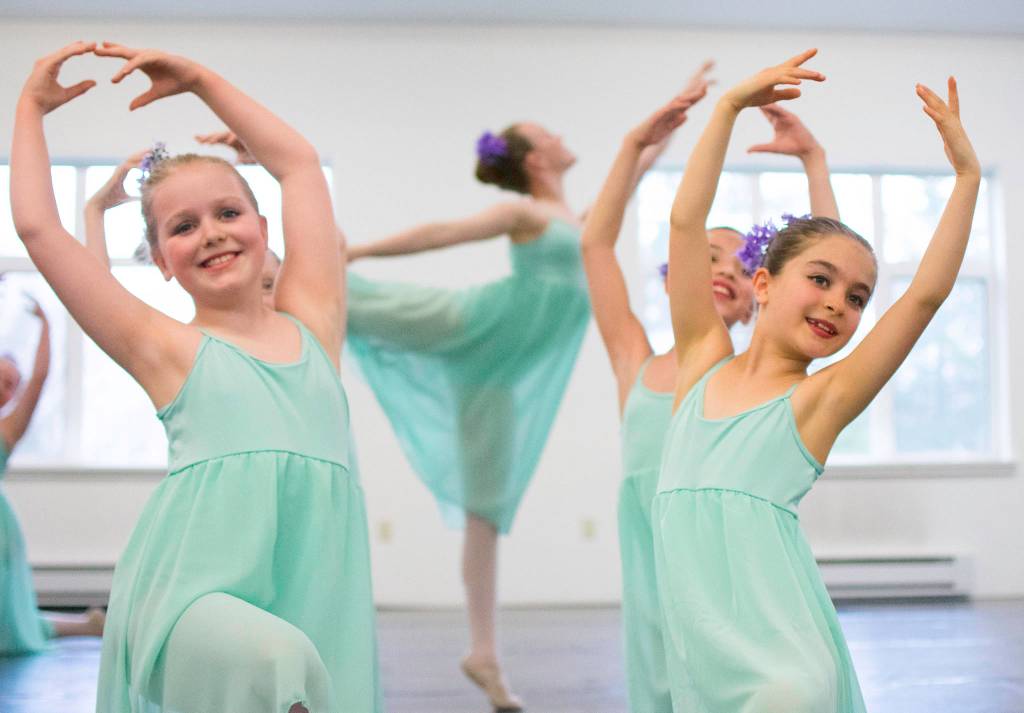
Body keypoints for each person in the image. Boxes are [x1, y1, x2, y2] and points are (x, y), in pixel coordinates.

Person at [11, 41, 380, 712]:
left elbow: (298, 165)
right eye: (183, 226)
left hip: (316, 580)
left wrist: (201, 80)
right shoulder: (166, 348)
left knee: (305, 681)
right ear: (160, 261)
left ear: (263, 228)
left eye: (228, 213)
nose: (211, 233)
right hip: (192, 592)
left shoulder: (315, 323)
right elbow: (39, 229)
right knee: (277, 659)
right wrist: (31, 109)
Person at [654, 48, 979, 711]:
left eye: (858, 297)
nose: (839, 302)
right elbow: (686, 223)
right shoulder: (700, 360)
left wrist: (968, 177)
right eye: (823, 280)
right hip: (700, 671)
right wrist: (726, 108)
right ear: (764, 284)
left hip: (786, 674)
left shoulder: (817, 402)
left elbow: (922, 297)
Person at [581, 84, 839, 711]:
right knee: (661, 683)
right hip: (652, 554)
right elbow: (593, 244)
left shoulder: (755, 381)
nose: (722, 268)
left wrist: (815, 163)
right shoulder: (634, 361)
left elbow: (831, 261)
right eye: (708, 255)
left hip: (725, 562)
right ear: (675, 272)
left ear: (760, 293)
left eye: (740, 260)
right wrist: (631, 148)